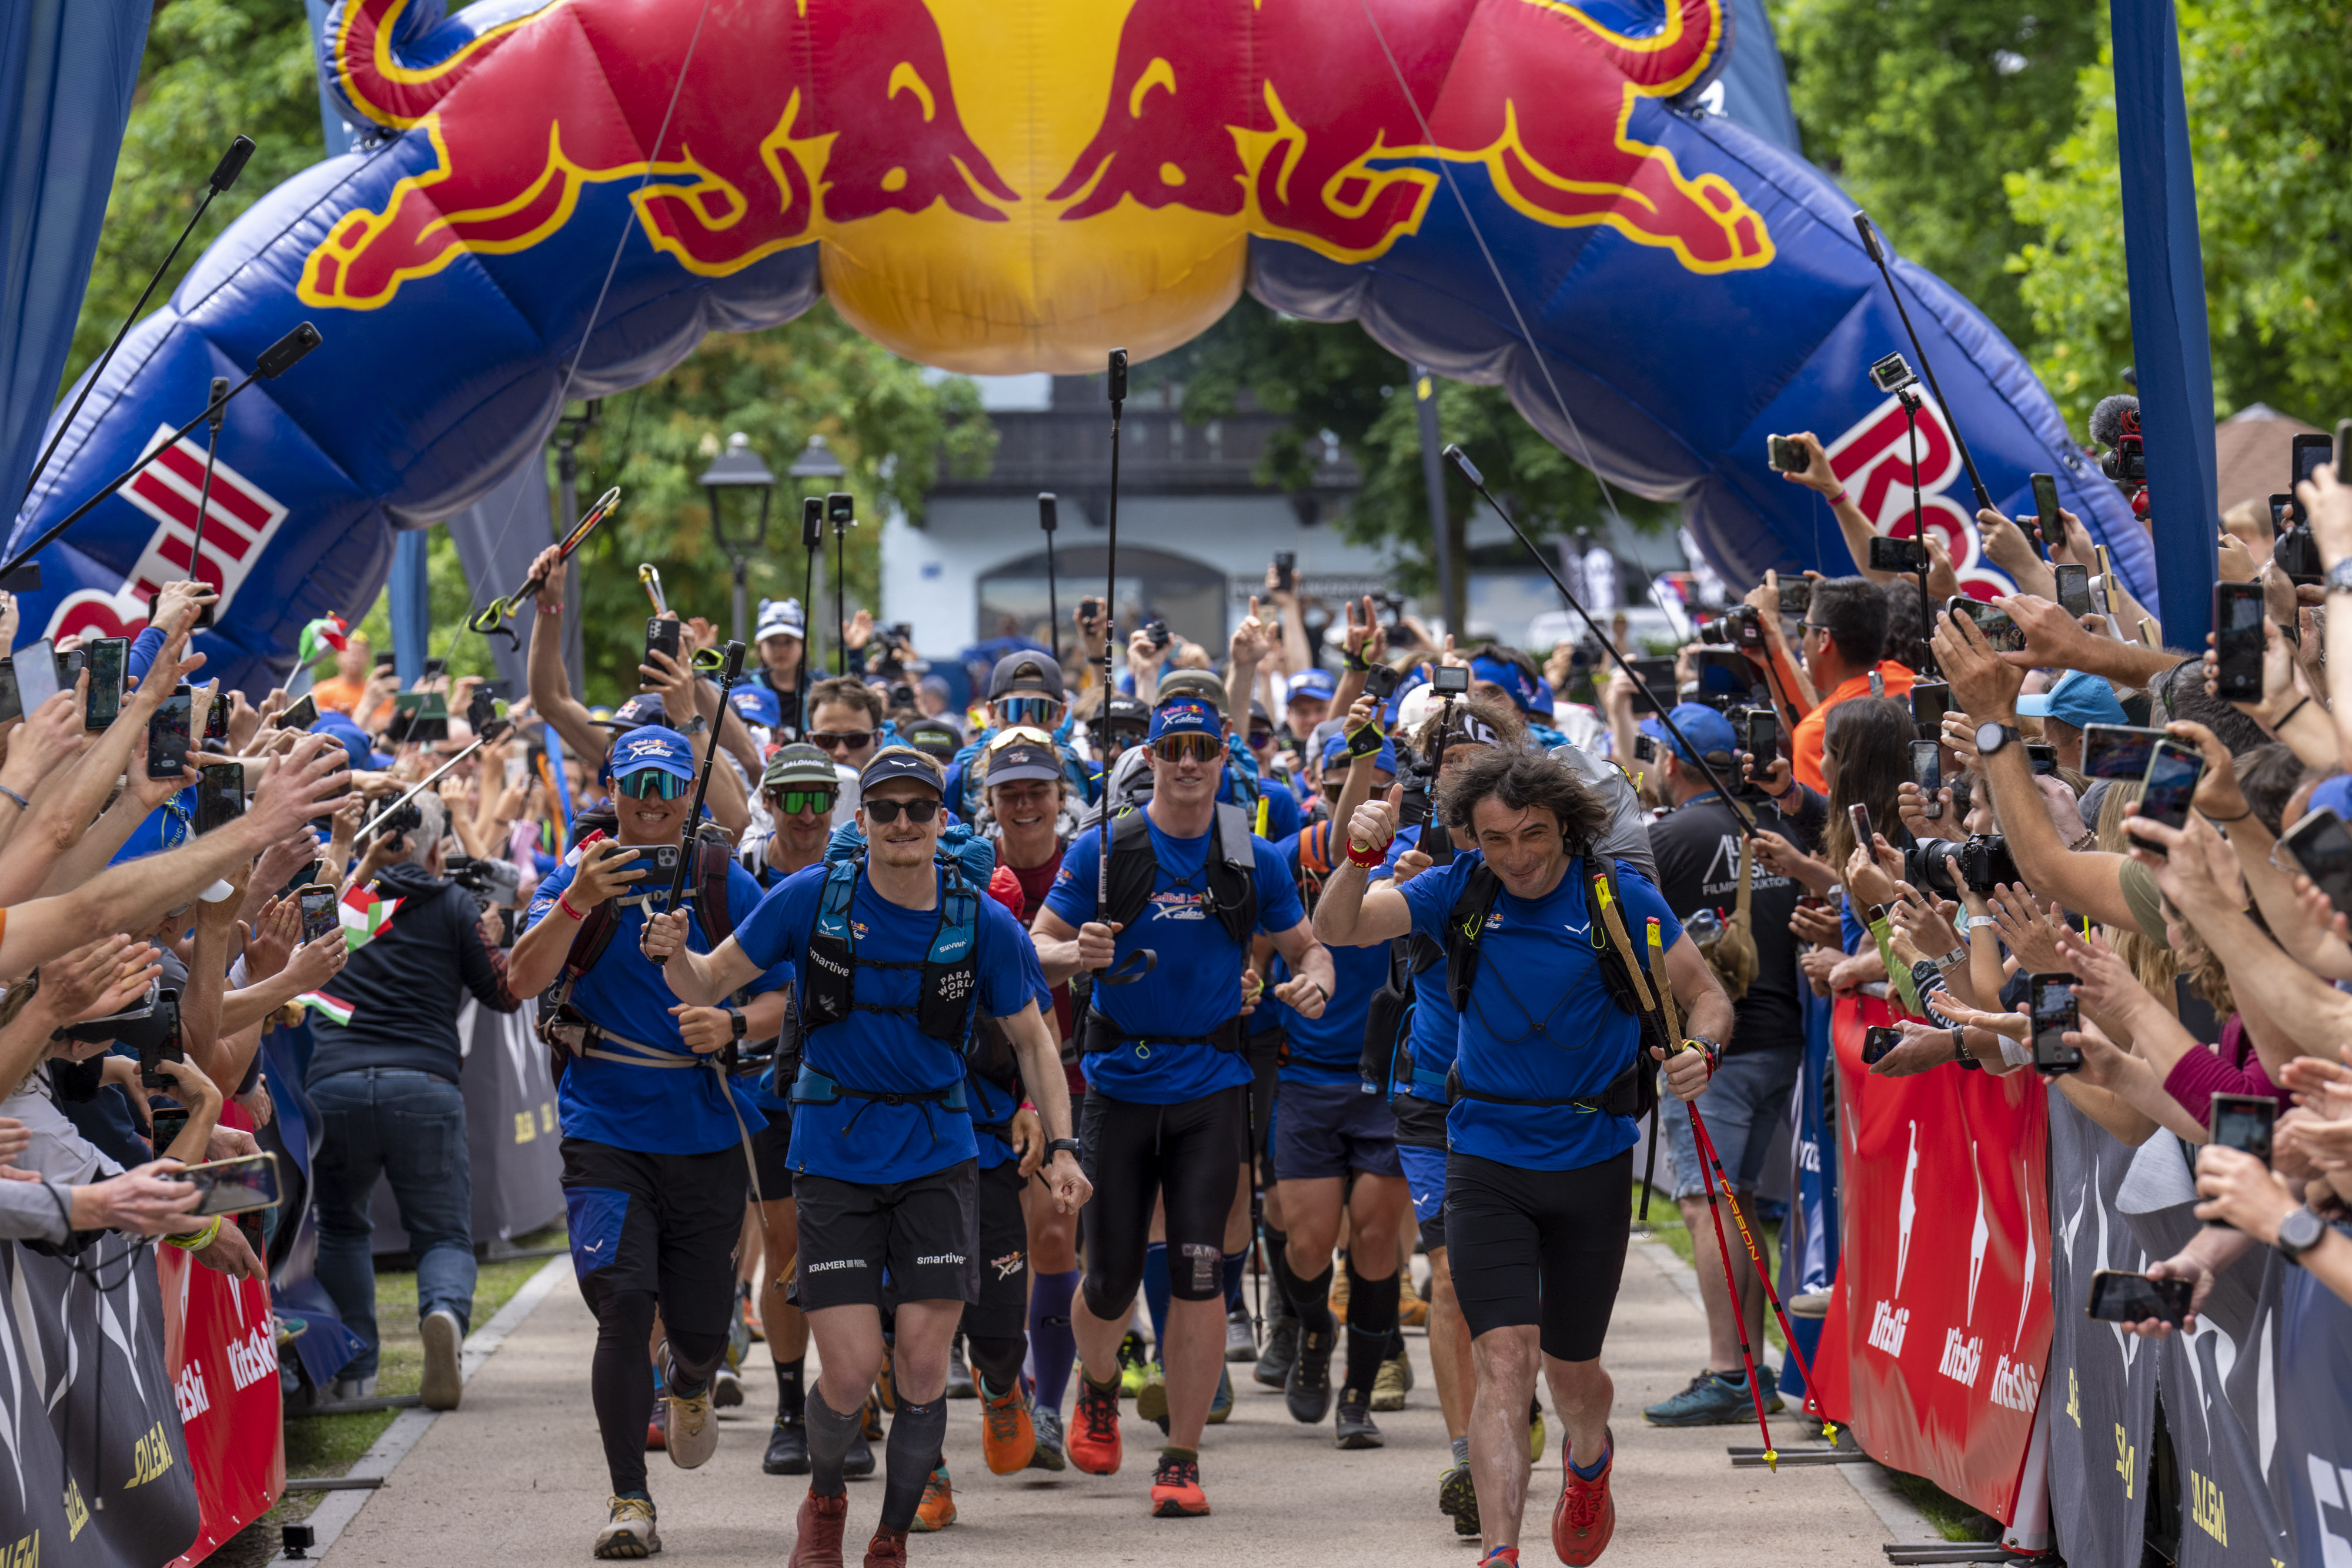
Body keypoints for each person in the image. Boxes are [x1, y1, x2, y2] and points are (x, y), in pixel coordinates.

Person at [645, 747, 1088, 1568]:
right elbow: (706, 980)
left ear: (941, 821)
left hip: (939, 1155)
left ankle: (889, 1534)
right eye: (885, 809)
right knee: (849, 1375)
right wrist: (670, 950)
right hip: (835, 1154)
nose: (902, 824)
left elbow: (1034, 1035)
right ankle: (824, 1501)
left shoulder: (979, 917)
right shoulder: (811, 897)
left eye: (919, 809)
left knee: (922, 1365)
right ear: (866, 820)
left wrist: (1061, 1143)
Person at [1315, 748, 1724, 1568]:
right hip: (1485, 1154)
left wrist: (1701, 1052)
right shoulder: (1457, 889)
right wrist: (1356, 857)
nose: (1516, 855)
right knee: (1503, 1356)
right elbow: (1339, 927)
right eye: (1495, 838)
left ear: (1565, 826)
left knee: (1576, 1378)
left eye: (1532, 833)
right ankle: (1500, 1552)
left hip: (1590, 1159)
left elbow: (1705, 992)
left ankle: (1589, 1456)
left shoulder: (1618, 896)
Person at [1030, 693, 1335, 1518]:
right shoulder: (1104, 848)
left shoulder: (1252, 855)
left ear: (1224, 749)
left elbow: (1309, 946)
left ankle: (1181, 1455)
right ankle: (1097, 1382)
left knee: (1202, 1271)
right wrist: (1075, 951)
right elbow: (1032, 949)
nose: (1190, 762)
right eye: (1174, 749)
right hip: (1120, 1084)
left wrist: (1312, 981)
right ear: (1154, 757)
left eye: (1203, 746)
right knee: (1108, 1277)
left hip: (1211, 1084)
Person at [510, 725, 794, 1559]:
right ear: (615, 788)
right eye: (637, 784)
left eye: (669, 784)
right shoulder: (578, 872)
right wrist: (575, 902)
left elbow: (785, 997)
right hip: (604, 1126)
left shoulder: (719, 878)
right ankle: (629, 1496)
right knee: (625, 1306)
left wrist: (730, 1021)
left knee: (701, 1328)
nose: (654, 800)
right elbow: (518, 981)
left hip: (705, 1128)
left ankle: (695, 1376)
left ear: (688, 792)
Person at [306, 791, 523, 1410]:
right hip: (423, 1084)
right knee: (443, 1235)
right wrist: (493, 932)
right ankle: (445, 1317)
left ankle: (358, 1372)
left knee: (343, 1227)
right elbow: (503, 995)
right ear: (434, 847)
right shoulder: (454, 904)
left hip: (334, 1085)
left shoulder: (342, 900)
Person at [1632, 706, 1808, 1429]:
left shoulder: (1667, 838)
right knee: (1736, 1203)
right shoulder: (1779, 824)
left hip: (1715, 1048)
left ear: (1672, 764)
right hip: (1784, 1038)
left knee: (1709, 1206)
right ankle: (1749, 1364)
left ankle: (1730, 1370)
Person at [1267, 730, 1412, 1449]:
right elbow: (1260, 946)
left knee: (1378, 1243)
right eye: (1334, 787)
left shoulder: (1417, 859)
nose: (1351, 801)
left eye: (1374, 786)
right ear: (1317, 789)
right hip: (1307, 1075)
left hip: (1385, 1080)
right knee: (1307, 1243)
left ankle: (1358, 1397)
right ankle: (1314, 1329)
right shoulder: (1290, 857)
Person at [734, 744, 841, 1476]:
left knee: (854, 1251)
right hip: (766, 1089)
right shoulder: (740, 876)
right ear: (767, 800)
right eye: (791, 797)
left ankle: (851, 1397)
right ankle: (789, 1407)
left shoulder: (863, 867)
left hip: (850, 1088)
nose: (805, 813)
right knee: (786, 1246)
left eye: (818, 797)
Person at [1779, 576, 1916, 792]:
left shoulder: (1817, 733)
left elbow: (1819, 823)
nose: (1803, 641)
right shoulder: (1912, 683)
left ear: (1824, 639)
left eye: (1804, 628)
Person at [754, 598, 810, 739]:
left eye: (788, 642)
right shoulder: (742, 684)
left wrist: (855, 651)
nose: (781, 650)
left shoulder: (820, 685)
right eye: (772, 642)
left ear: (804, 645)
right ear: (759, 645)